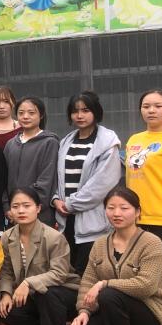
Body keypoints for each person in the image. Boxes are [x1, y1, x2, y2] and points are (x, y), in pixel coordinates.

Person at [70, 187, 162, 325]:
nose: (116, 213)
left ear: (138, 212)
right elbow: (88, 281)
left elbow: (146, 285)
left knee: (109, 294)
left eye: (124, 208)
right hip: (116, 313)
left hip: (151, 314)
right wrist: (84, 311)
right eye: (111, 208)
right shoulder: (100, 244)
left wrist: (105, 283)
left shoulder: (151, 243)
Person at [0, 188, 79, 325]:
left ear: (38, 208)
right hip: (32, 295)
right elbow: (6, 271)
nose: (21, 211)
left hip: (63, 293)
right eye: (15, 206)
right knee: (4, 310)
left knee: (47, 292)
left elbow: (59, 274)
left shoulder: (54, 237)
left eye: (26, 206)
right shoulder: (7, 237)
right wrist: (5, 294)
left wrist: (28, 283)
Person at [54, 92, 122, 275]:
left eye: (85, 110)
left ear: (95, 112)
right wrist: (55, 199)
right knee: (67, 274)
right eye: (75, 111)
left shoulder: (107, 142)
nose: (79, 115)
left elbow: (102, 184)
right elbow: (58, 177)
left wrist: (70, 204)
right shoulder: (66, 141)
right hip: (66, 219)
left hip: (92, 220)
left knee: (88, 274)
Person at [125, 90, 162, 307]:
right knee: (139, 275)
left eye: (158, 106)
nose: (151, 110)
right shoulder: (134, 139)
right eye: (146, 106)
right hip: (135, 220)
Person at [4, 97, 59, 227]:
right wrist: (7, 207)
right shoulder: (11, 144)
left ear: (41, 115)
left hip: (40, 213)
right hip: (13, 214)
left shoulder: (49, 142)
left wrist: (27, 207)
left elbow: (47, 180)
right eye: (21, 113)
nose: (25, 116)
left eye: (31, 113)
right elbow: (3, 179)